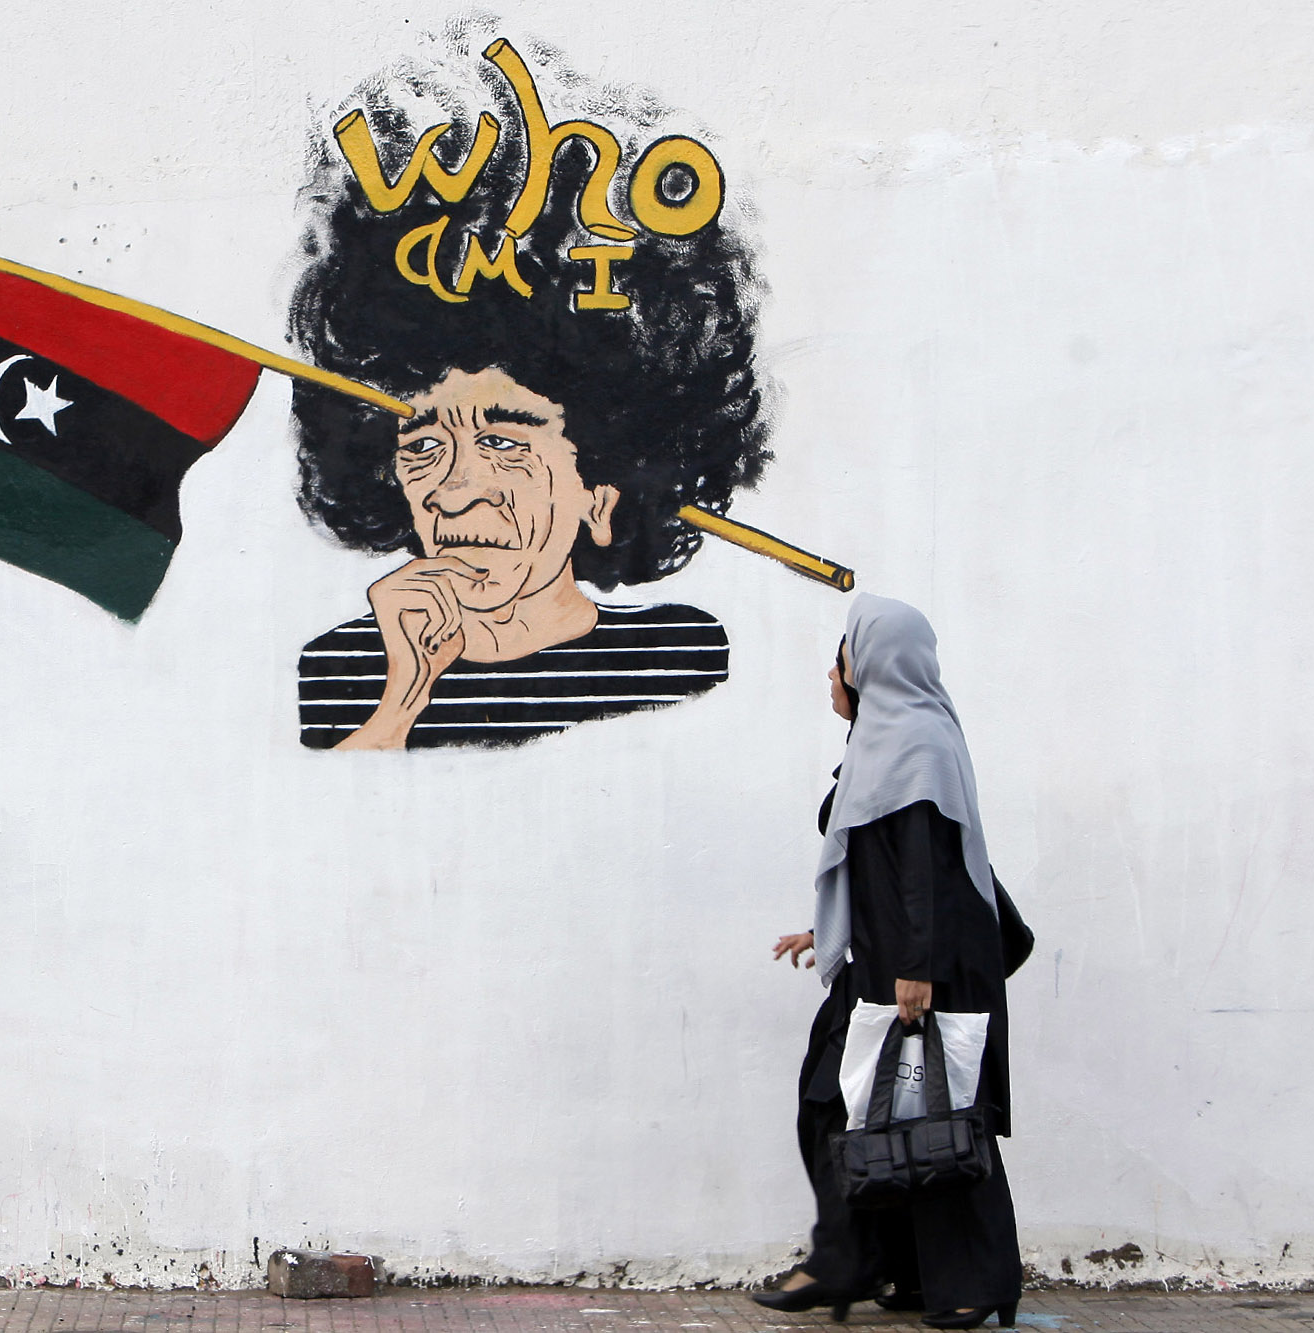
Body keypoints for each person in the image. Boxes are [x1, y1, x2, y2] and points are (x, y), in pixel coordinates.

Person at [287, 41, 770, 750]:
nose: (454, 492)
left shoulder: (682, 662)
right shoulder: (341, 672)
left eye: (504, 442)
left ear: (600, 496)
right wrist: (399, 703)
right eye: (422, 444)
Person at [756, 595, 1030, 1330]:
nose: (831, 671)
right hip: (889, 956)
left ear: (872, 664)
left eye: (841, 655)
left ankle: (969, 1278)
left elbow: (923, 865)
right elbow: (880, 864)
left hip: (926, 966)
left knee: (941, 1115)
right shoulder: (883, 742)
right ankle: (888, 1267)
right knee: (856, 1104)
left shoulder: (915, 741)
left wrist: (917, 966)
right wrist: (830, 927)